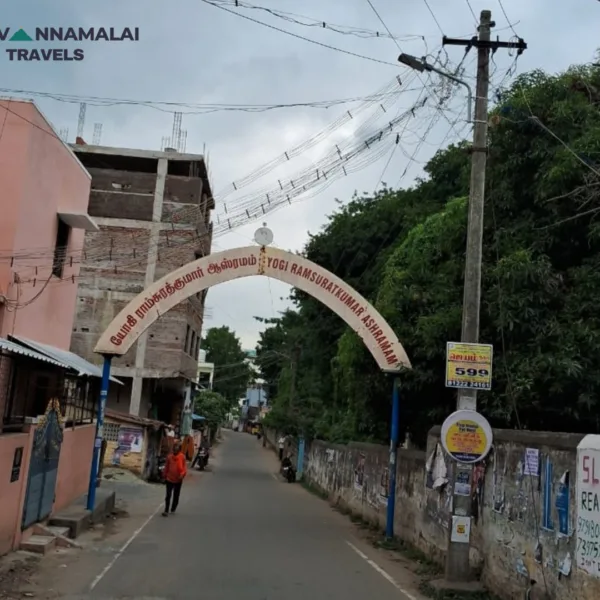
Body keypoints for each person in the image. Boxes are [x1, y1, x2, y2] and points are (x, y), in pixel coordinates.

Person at [162, 442, 187, 517]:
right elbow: (166, 467)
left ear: (179, 450)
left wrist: (182, 475)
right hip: (169, 478)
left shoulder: (182, 457)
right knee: (168, 495)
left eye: (177, 449)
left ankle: (173, 508)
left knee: (176, 495)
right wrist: (164, 476)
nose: (175, 451)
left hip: (178, 480)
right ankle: (166, 510)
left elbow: (184, 468)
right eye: (174, 449)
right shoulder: (169, 457)